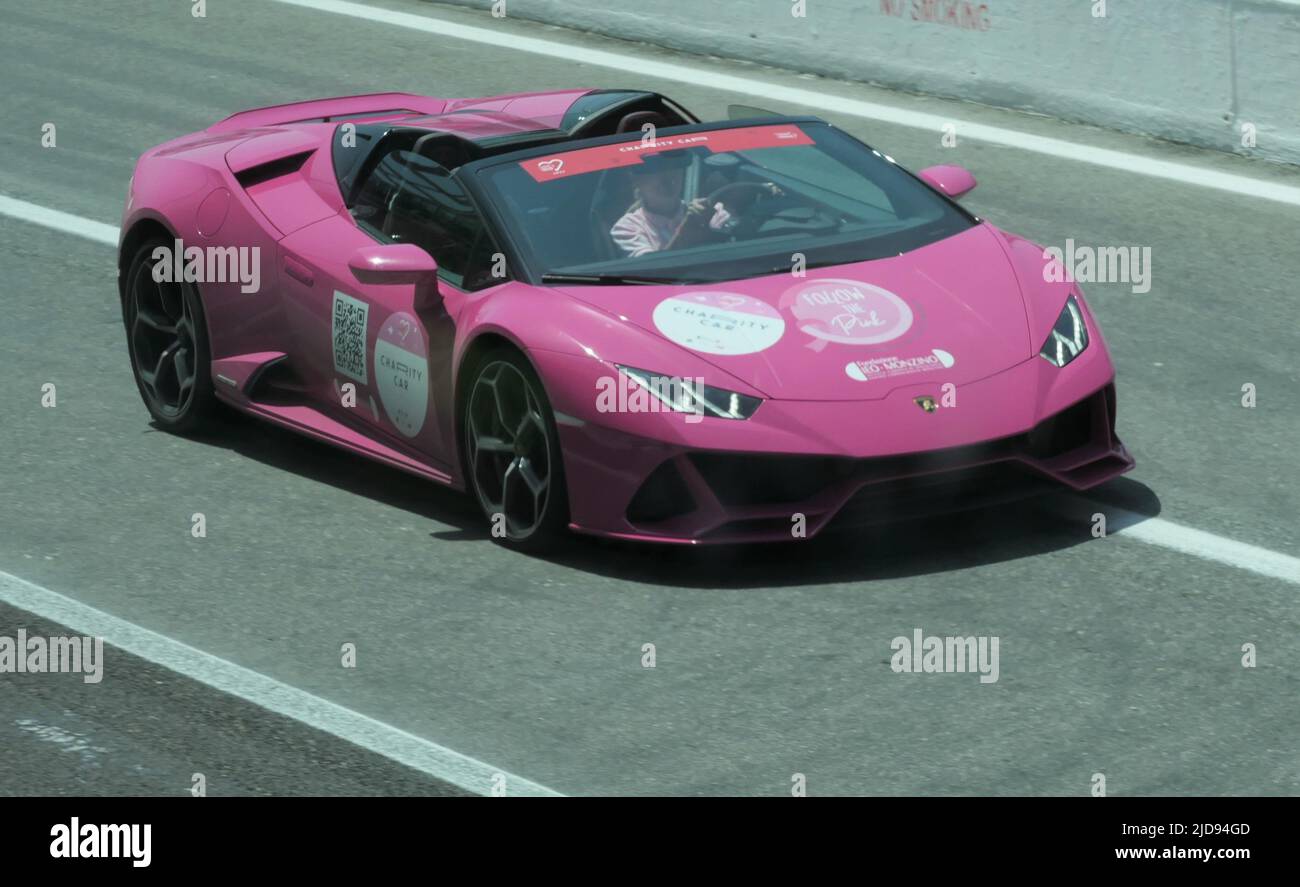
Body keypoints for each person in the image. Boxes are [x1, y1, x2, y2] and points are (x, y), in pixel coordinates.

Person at [609, 158, 732, 257]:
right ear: (636, 181)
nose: (667, 178)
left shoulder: (701, 214)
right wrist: (686, 232)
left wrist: (719, 228)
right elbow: (653, 271)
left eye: (674, 167)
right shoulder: (625, 228)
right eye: (655, 171)